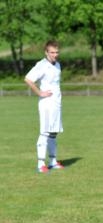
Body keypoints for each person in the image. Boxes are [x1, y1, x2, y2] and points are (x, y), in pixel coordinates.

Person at [24, 40, 65, 174]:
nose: (55, 55)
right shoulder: (41, 65)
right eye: (52, 52)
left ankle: (52, 162)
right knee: (45, 132)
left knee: (53, 133)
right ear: (46, 52)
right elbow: (28, 79)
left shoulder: (57, 65)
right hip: (47, 104)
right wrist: (40, 93)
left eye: (57, 52)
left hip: (56, 104)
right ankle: (41, 163)